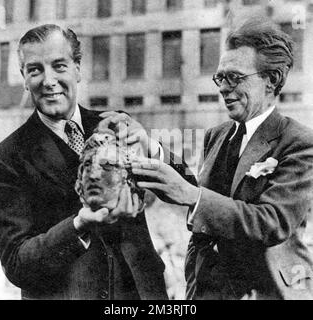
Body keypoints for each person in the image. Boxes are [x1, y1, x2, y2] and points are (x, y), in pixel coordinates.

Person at [0, 24, 176, 300]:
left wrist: (149, 146)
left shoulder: (116, 125)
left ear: (78, 68)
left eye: (59, 66)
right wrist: (77, 225)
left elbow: (187, 185)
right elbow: (17, 264)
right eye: (35, 69)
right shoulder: (5, 159)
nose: (48, 80)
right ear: (24, 79)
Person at [131, 17, 313, 299]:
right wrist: (151, 148)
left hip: (265, 292)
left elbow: (272, 221)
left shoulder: (299, 142)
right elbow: (199, 191)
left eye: (235, 77)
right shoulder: (217, 135)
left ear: (271, 80)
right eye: (220, 77)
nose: (223, 88)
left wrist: (193, 196)